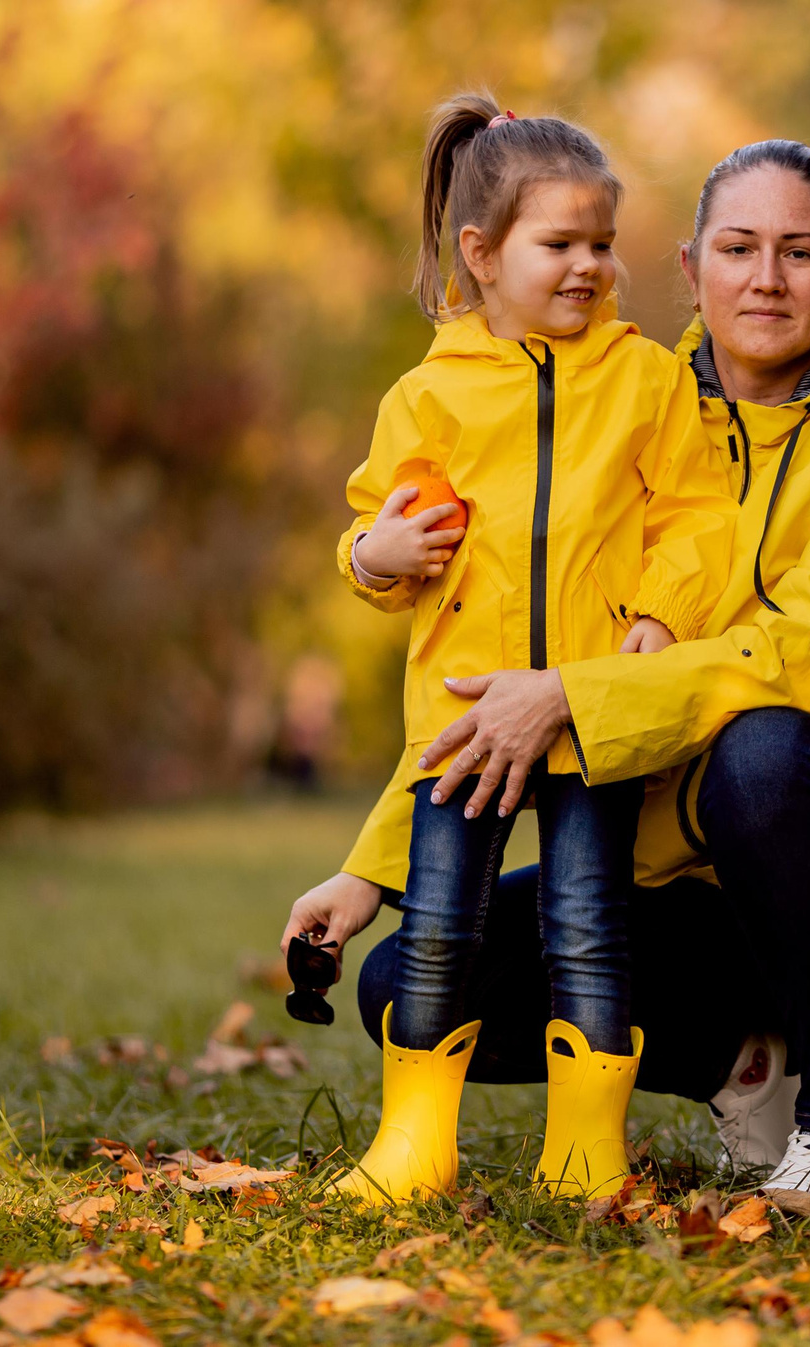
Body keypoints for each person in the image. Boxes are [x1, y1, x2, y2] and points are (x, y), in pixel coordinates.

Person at [296, 139, 810, 1204]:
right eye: (737, 248)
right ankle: (738, 1061)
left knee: (760, 746)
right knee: (409, 976)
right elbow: (481, 651)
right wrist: (374, 862)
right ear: (690, 269)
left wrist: (580, 698)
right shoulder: (620, 401)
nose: (765, 279)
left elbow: (803, 654)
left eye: (800, 252)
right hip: (690, 871)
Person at [282, 94, 734, 1205]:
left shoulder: (646, 380)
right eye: (559, 245)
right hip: (462, 720)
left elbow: (697, 517)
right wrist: (373, 553)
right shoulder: (427, 396)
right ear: (481, 255)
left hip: (590, 714)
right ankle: (411, 1144)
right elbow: (380, 542)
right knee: (438, 930)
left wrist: (661, 616)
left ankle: (585, 1148)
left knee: (586, 928)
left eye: (602, 245)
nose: (588, 268)